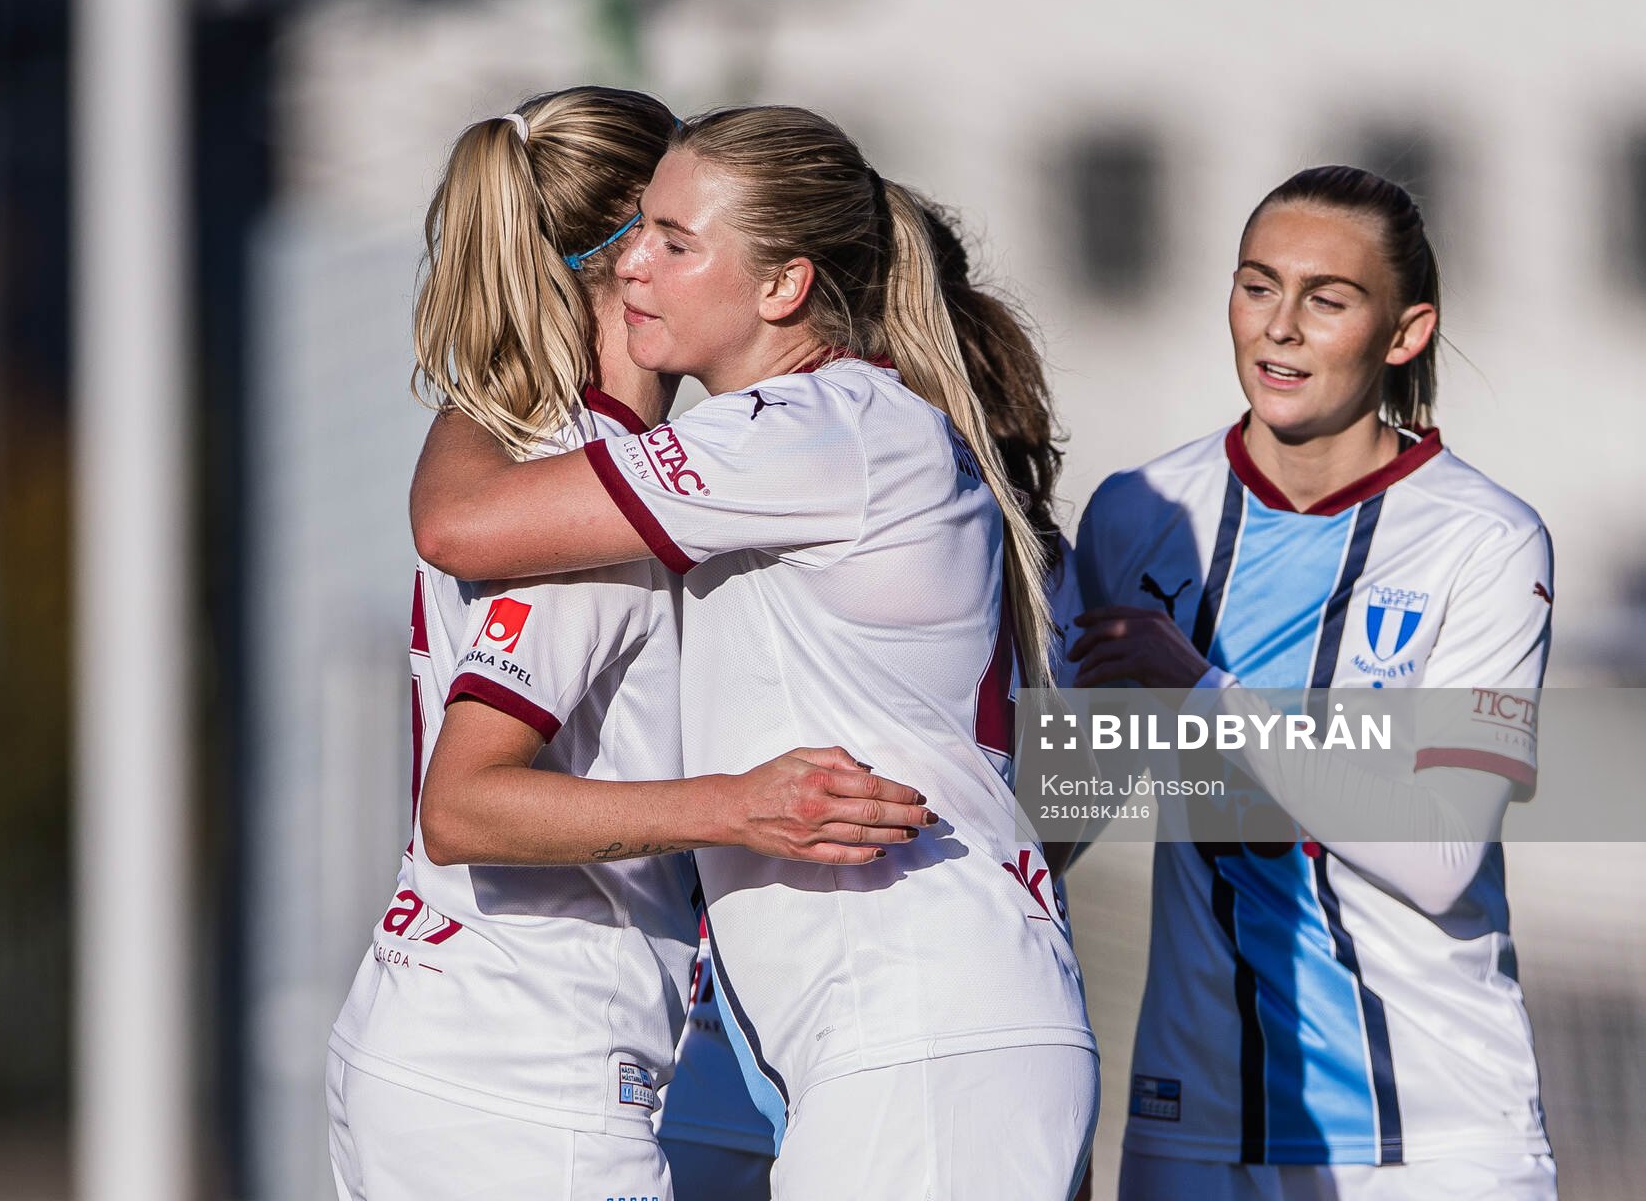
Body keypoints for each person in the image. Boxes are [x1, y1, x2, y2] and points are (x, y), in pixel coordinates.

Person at [411, 105, 1099, 1201]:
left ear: (783, 286)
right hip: (874, 1032)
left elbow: (459, 523)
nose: (629, 262)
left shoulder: (807, 429)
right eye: (635, 231)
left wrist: (489, 358)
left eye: (673, 241)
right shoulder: (816, 431)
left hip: (923, 1025)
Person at [326, 88, 930, 1201]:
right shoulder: (597, 494)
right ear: (629, 249)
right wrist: (737, 805)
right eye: (681, 227)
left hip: (456, 1040)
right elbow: (464, 805)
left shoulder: (537, 462)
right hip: (525, 1062)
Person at [1072, 165, 1557, 1200]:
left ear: (1404, 332)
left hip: (1433, 1133)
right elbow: (1064, 808)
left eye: (1327, 299)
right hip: (1194, 1126)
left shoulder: (1485, 540)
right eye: (1258, 287)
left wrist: (1203, 694)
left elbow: (1440, 852)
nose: (1280, 326)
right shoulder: (1138, 513)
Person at [652, 201, 1083, 1200]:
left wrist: (1207, 710)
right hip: (764, 1030)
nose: (1277, 326)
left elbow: (1438, 816)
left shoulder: (841, 440)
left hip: (925, 1020)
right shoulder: (782, 466)